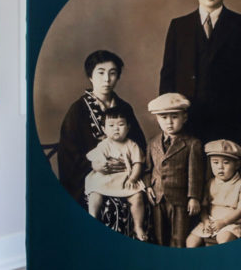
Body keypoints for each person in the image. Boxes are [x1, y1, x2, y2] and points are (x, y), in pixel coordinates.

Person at [159, 0, 241, 150]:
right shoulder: (178, 26)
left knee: (224, 177)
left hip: (230, 119)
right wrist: (166, 118)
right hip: (186, 119)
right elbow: (168, 74)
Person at [57, 50, 148, 237]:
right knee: (110, 205)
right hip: (91, 176)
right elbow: (68, 153)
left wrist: (129, 165)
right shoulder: (78, 110)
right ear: (90, 76)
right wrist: (94, 164)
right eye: (100, 72)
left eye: (112, 73)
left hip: (127, 174)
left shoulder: (124, 108)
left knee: (139, 197)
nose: (107, 79)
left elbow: (139, 144)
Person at [145, 93, 204, 248]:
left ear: (184, 117)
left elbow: (195, 174)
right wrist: (148, 187)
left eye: (174, 117)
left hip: (180, 199)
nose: (169, 122)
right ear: (157, 119)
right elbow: (147, 169)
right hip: (158, 197)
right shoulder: (152, 143)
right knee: (159, 235)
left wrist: (194, 197)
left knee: (179, 237)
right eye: (163, 117)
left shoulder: (193, 144)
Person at [83, 106, 147, 241]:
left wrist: (133, 178)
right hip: (106, 178)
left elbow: (137, 164)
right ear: (104, 129)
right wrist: (99, 167)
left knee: (138, 197)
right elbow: (95, 161)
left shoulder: (132, 145)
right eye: (111, 125)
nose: (116, 128)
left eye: (121, 124)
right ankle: (92, 220)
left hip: (125, 178)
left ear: (128, 127)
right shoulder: (104, 145)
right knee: (95, 193)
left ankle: (138, 226)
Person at [187, 139, 241, 247]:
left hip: (231, 222)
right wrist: (205, 221)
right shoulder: (210, 183)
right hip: (211, 221)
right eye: (215, 162)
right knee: (191, 241)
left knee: (223, 238)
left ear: (237, 165)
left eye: (226, 163)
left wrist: (224, 222)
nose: (220, 167)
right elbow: (204, 206)